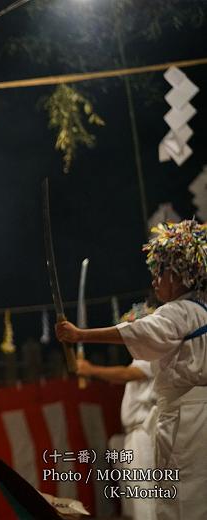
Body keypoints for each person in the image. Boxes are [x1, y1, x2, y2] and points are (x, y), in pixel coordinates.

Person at [57, 219, 207, 520]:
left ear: (178, 275)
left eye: (160, 271)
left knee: (180, 498)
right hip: (194, 415)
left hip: (183, 418)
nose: (154, 279)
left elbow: (141, 331)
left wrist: (81, 335)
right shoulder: (199, 310)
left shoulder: (179, 311)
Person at [76, 302, 157, 520]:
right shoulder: (140, 356)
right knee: (135, 499)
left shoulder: (154, 353)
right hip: (135, 434)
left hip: (147, 434)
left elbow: (126, 375)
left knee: (146, 495)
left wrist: (90, 369)